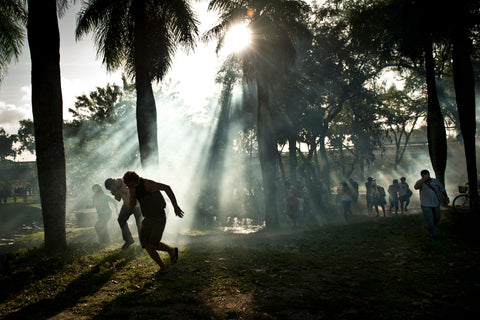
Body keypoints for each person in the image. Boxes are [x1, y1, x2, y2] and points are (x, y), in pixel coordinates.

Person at [123, 171, 184, 274]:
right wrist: (132, 194)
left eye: (132, 184)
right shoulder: (132, 190)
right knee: (145, 244)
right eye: (128, 185)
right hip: (147, 218)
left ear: (137, 180)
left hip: (159, 217)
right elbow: (132, 205)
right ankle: (163, 267)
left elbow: (167, 188)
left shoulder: (147, 184)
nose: (131, 187)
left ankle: (171, 251)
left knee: (152, 244)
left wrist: (175, 206)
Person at [105, 177, 143, 250]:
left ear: (114, 183)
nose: (111, 190)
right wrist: (115, 193)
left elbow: (134, 191)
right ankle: (128, 240)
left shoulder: (125, 181)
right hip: (126, 205)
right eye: (110, 190)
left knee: (139, 223)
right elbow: (118, 199)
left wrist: (118, 190)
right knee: (121, 220)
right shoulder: (115, 188)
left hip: (137, 205)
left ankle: (143, 243)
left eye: (111, 188)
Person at [414, 169, 448, 237]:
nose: (425, 176)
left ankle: (429, 226)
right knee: (429, 219)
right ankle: (433, 233)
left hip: (435, 203)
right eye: (423, 175)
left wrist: (446, 197)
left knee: (437, 217)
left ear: (429, 174)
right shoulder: (420, 182)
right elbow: (416, 187)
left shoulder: (435, 181)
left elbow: (442, 189)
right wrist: (423, 180)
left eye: (426, 174)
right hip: (425, 204)